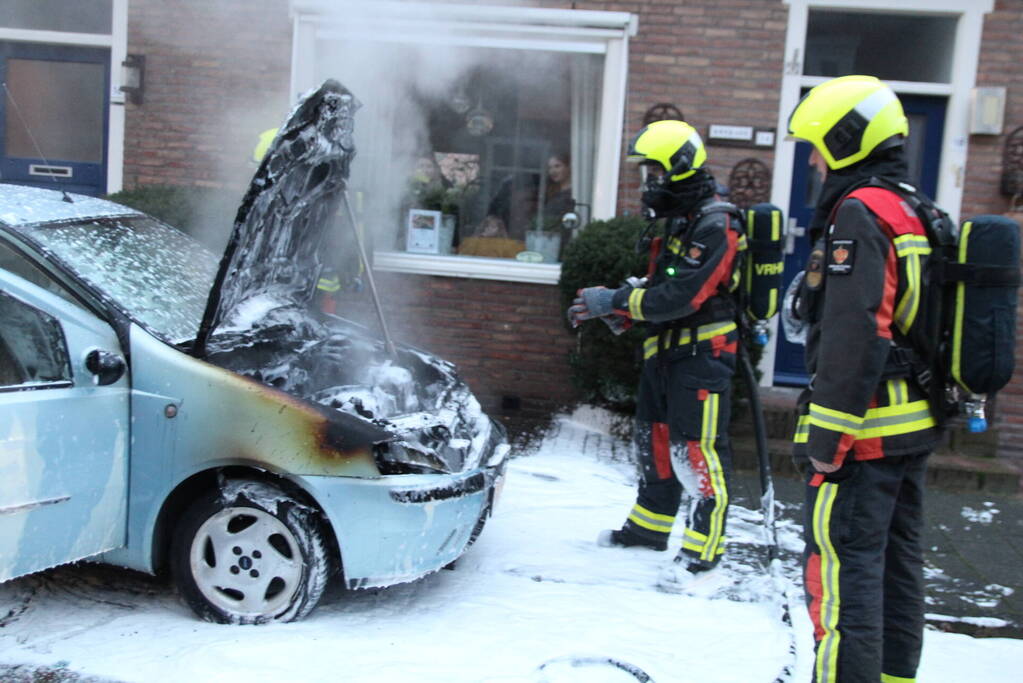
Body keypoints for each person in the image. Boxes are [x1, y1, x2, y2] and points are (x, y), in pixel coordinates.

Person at [786, 75, 940, 683]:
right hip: (913, 426)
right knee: (895, 569)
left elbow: (857, 334)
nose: (817, 163)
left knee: (845, 579)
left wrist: (824, 444)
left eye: (820, 147)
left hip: (865, 433)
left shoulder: (861, 211)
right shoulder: (914, 207)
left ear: (847, 139)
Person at [567, 120, 744, 591]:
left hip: (703, 356)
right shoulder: (680, 220)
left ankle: (704, 550)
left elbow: (685, 296)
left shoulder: (717, 222)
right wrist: (621, 307)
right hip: (665, 353)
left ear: (678, 168)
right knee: (657, 444)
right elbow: (662, 285)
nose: (649, 182)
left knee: (697, 452)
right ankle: (649, 529)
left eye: (653, 171)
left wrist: (618, 303)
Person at [457, 214, 525, 259]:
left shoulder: (506, 244)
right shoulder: (473, 241)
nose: (488, 229)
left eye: (492, 227)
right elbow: (463, 255)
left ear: (499, 229)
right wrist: (478, 237)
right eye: (486, 226)